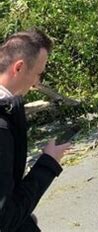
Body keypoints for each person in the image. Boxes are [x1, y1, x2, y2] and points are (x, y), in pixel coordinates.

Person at [0, 29, 70, 231]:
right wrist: (48, 163)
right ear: (19, 67)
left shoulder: (8, 108)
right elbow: (4, 219)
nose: (37, 82)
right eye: (38, 73)